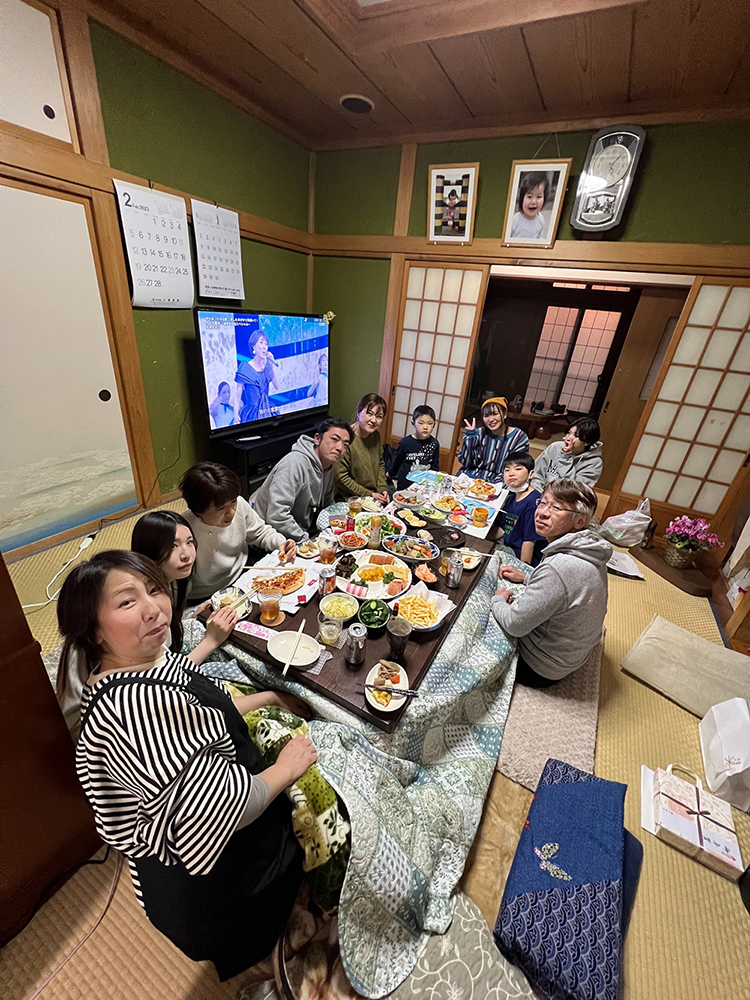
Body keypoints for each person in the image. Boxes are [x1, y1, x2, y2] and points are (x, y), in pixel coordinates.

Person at [58, 550, 315, 979]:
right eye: (126, 602)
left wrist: (270, 698)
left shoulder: (142, 661)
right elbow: (226, 809)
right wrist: (287, 767)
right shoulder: (134, 711)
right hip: (217, 890)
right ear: (94, 631)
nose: (153, 608)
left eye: (154, 589)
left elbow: (210, 706)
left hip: (209, 840)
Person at [492, 479, 612, 687]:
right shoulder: (589, 548)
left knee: (477, 616)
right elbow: (568, 589)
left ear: (579, 521)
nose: (542, 512)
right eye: (543, 502)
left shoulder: (558, 567)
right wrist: (527, 578)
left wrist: (497, 600)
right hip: (572, 653)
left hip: (540, 667)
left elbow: (514, 625)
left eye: (556, 507)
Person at [131, 510, 238, 662]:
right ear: (149, 550)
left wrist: (191, 617)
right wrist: (212, 640)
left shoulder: (166, 581)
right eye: (173, 546)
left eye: (189, 542)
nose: (186, 554)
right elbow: (168, 675)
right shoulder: (148, 606)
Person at [181, 462, 296, 599]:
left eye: (233, 502)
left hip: (244, 572)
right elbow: (179, 582)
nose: (232, 512)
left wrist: (281, 544)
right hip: (208, 594)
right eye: (221, 508)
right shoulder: (182, 530)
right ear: (198, 508)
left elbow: (261, 532)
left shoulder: (240, 503)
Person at [252, 418, 353, 541]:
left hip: (301, 531)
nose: (339, 448)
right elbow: (277, 516)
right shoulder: (294, 464)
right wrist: (306, 540)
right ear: (317, 439)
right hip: (271, 537)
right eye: (334, 439)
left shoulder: (328, 466)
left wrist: (339, 531)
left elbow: (328, 505)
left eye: (345, 445)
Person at [457, 397, 529, 484]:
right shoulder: (479, 433)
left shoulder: (519, 438)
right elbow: (467, 463)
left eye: (495, 414)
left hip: (499, 482)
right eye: (486, 415)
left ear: (505, 414)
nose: (491, 419)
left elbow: (516, 469)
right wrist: (470, 439)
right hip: (470, 478)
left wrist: (494, 485)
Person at [334, 393, 389, 503]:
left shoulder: (376, 436)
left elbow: (380, 464)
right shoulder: (346, 438)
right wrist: (369, 494)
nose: (373, 420)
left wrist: (382, 488)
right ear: (358, 412)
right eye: (369, 414)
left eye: (379, 417)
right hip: (349, 497)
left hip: (373, 493)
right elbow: (340, 478)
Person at [531, 418, 603, 492]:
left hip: (564, 500)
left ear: (587, 442)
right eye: (569, 433)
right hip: (539, 493)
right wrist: (538, 493)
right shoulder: (555, 447)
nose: (568, 438)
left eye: (576, 435)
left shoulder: (594, 463)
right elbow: (536, 472)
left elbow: (572, 491)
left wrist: (565, 457)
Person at [500, 452, 546, 567]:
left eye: (518, 469)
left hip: (519, 553)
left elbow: (529, 542)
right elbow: (504, 529)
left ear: (531, 474)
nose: (511, 473)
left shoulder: (533, 502)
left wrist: (522, 569)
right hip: (507, 543)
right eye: (507, 470)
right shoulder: (511, 498)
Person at [389, 405, 441, 491]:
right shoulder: (405, 443)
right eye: (421, 423)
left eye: (430, 423)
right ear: (413, 423)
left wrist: (432, 482)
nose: (425, 427)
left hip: (423, 485)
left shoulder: (434, 443)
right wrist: (390, 474)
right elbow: (397, 461)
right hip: (405, 483)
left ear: (434, 425)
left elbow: (435, 466)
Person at [235, 329, 280, 423]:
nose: (264, 347)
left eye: (266, 344)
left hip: (267, 410)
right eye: (261, 343)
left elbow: (277, 386)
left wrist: (271, 367)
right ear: (253, 346)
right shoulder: (245, 368)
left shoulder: (267, 366)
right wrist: (236, 416)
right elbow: (237, 396)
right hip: (252, 413)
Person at [510, 171, 549, 241]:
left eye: (539, 197)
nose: (534, 202)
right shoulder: (514, 220)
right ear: (522, 198)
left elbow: (539, 239)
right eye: (529, 197)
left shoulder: (541, 220)